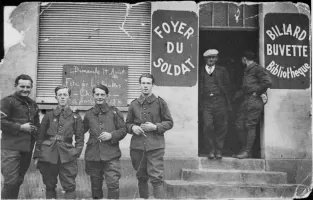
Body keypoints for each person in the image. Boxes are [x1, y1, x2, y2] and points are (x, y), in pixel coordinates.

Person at [126, 73, 173, 199]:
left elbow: (169, 122)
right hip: (137, 147)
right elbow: (127, 124)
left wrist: (156, 127)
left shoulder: (160, 103)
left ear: (152, 85)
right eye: (143, 83)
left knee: (156, 178)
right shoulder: (134, 104)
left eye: (148, 83)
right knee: (141, 177)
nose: (145, 86)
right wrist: (133, 128)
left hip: (155, 146)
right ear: (139, 85)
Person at [33, 86, 84, 199]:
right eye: (60, 95)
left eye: (65, 95)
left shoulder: (76, 117)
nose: (62, 97)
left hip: (67, 154)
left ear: (69, 97)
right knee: (49, 183)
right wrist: (37, 154)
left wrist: (76, 152)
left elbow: (80, 138)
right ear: (56, 97)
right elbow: (40, 136)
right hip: (48, 153)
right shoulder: (48, 116)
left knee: (69, 184)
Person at [83, 84, 126, 199]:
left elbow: (123, 130)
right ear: (93, 96)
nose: (100, 97)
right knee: (95, 185)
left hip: (111, 154)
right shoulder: (88, 114)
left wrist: (111, 135)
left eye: (102, 94)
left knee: (113, 184)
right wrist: (75, 118)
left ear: (107, 96)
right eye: (97, 94)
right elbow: (81, 130)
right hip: (93, 154)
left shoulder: (115, 112)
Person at [1, 74, 40, 199]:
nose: (25, 89)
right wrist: (21, 127)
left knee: (18, 180)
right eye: (22, 86)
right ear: (15, 86)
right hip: (11, 148)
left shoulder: (33, 104)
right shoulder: (7, 101)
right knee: (10, 181)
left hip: (27, 149)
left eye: (28, 87)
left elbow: (36, 125)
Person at [233, 51, 272, 159]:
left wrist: (257, 92)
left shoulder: (257, 68)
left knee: (250, 125)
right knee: (239, 124)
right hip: (246, 100)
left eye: (242, 60)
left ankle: (247, 151)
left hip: (254, 100)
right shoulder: (248, 70)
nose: (241, 62)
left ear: (244, 59)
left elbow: (268, 82)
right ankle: (245, 149)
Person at [200, 49, 232, 159]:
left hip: (220, 102)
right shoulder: (201, 71)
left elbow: (228, 86)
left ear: (216, 59)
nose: (211, 59)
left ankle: (219, 150)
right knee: (208, 126)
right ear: (205, 59)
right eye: (209, 57)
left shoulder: (222, 70)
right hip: (207, 103)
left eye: (213, 57)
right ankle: (211, 150)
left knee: (221, 126)